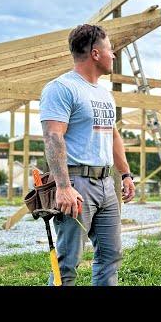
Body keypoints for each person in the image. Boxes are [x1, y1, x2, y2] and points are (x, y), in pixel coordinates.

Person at [39, 23, 135, 286]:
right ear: (95, 53)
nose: (113, 55)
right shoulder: (62, 88)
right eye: (110, 49)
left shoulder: (104, 94)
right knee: (68, 261)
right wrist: (63, 187)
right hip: (76, 183)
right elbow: (53, 136)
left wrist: (125, 174)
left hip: (106, 184)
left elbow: (113, 135)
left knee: (110, 256)